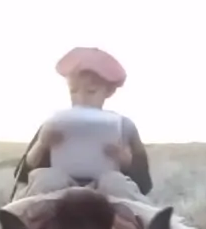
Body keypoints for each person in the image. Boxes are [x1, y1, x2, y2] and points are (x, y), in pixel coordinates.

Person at [13, 46, 152, 202]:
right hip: (59, 195)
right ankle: (16, 225)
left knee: (114, 182)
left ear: (109, 92)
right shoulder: (56, 122)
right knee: (48, 179)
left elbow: (144, 184)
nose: (81, 98)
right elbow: (24, 174)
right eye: (73, 91)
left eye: (91, 91)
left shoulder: (124, 126)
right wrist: (42, 144)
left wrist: (127, 161)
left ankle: (149, 225)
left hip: (106, 199)